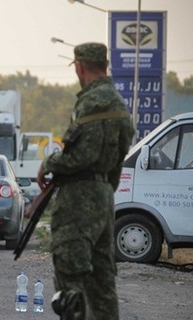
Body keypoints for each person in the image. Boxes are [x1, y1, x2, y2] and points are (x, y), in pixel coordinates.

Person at [36, 43, 135, 320]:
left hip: (80, 198)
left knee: (71, 275)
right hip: (104, 196)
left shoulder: (92, 101)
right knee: (102, 281)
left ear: (79, 67)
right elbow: (119, 154)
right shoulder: (118, 102)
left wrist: (49, 163)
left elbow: (82, 154)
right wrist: (103, 187)